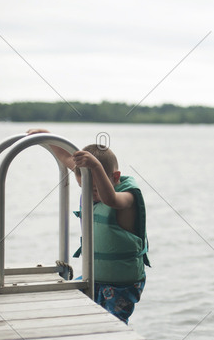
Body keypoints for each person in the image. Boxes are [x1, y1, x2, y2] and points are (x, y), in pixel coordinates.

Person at [27, 129, 150, 324]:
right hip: (93, 277)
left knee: (113, 325)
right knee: (68, 309)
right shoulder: (85, 175)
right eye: (84, 187)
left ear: (115, 177)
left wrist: (96, 166)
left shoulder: (127, 198)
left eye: (95, 188)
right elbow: (66, 156)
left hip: (122, 285)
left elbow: (110, 199)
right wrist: (46, 136)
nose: (90, 194)